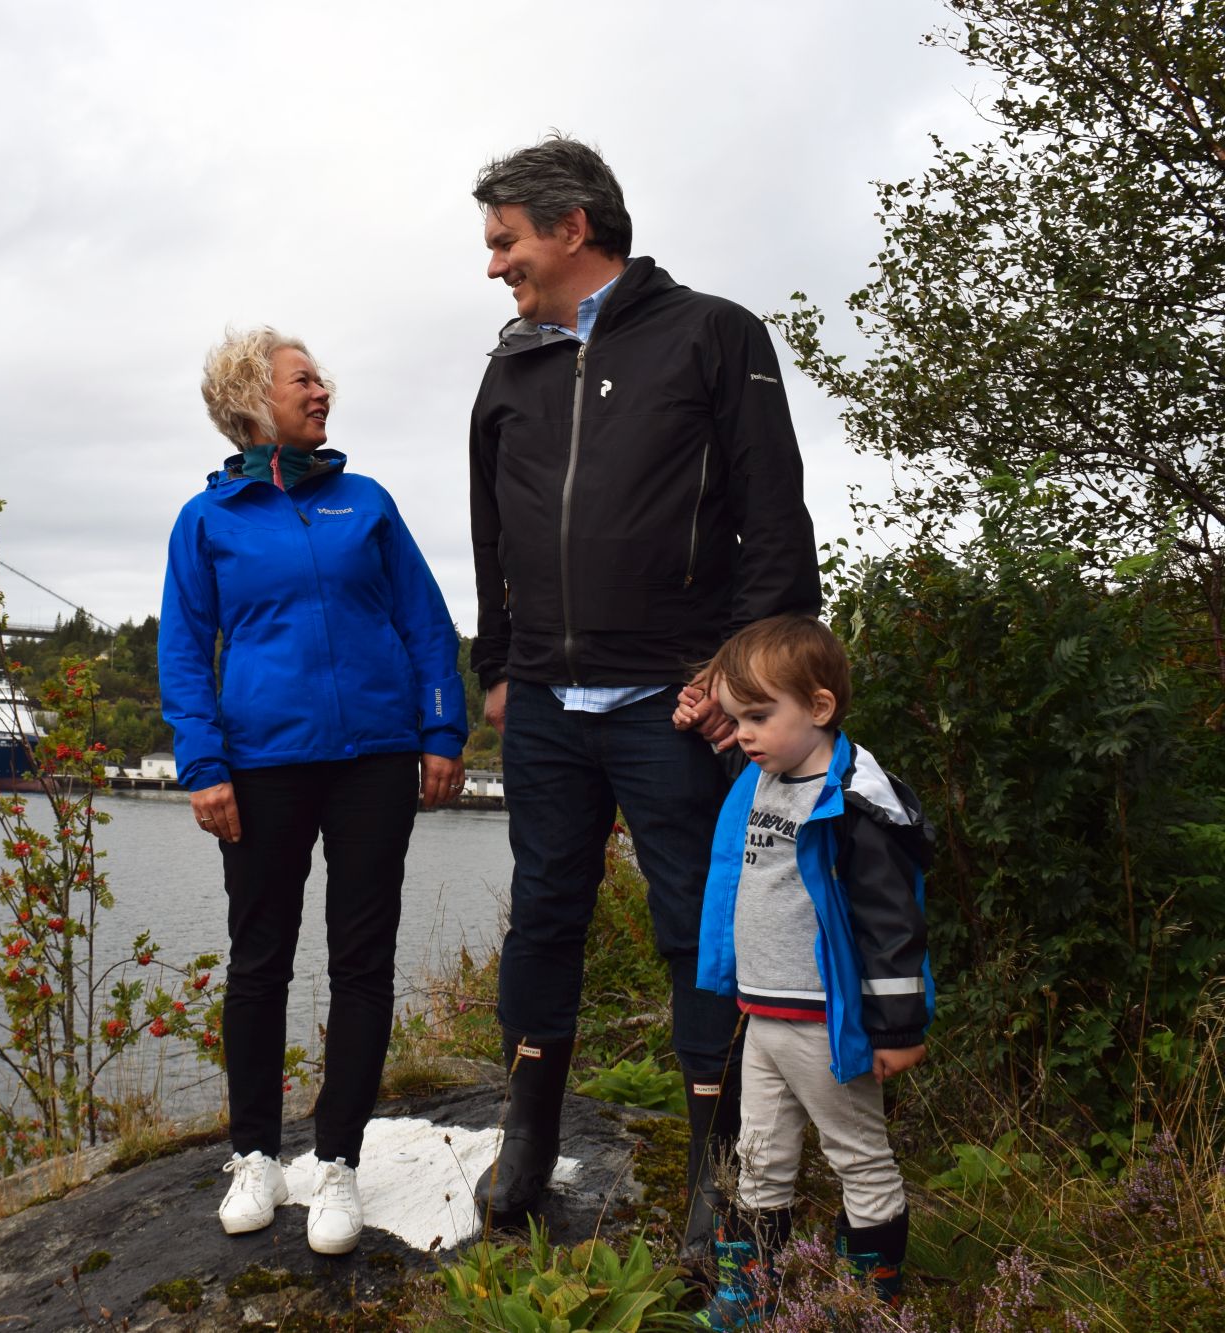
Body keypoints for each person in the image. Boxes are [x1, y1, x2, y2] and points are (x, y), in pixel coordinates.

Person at [463, 134, 821, 1252]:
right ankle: (526, 1138)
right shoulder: (509, 368)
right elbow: (488, 531)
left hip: (676, 701)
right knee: (543, 918)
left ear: (572, 227)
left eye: (505, 241)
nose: (493, 264)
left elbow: (774, 518)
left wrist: (738, 676)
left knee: (696, 928)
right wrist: (497, 668)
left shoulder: (712, 334)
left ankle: (720, 1170)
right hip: (544, 703)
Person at [159, 327, 468, 1255]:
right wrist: (203, 764)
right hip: (262, 765)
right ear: (252, 399)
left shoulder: (365, 501)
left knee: (362, 959)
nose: (322, 389)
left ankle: (337, 1161)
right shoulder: (206, 520)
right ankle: (255, 1153)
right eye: (303, 379)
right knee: (259, 961)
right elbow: (185, 649)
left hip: (375, 758)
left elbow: (426, 622)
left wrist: (441, 730)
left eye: (320, 378)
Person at [690, 615, 932, 1327]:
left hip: (828, 1020)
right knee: (759, 1156)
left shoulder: (852, 801)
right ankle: (749, 1295)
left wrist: (899, 1028)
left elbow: (892, 925)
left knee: (859, 1157)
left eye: (758, 717)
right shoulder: (763, 776)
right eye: (736, 719)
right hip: (764, 1017)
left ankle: (867, 1303)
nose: (744, 734)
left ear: (820, 707)